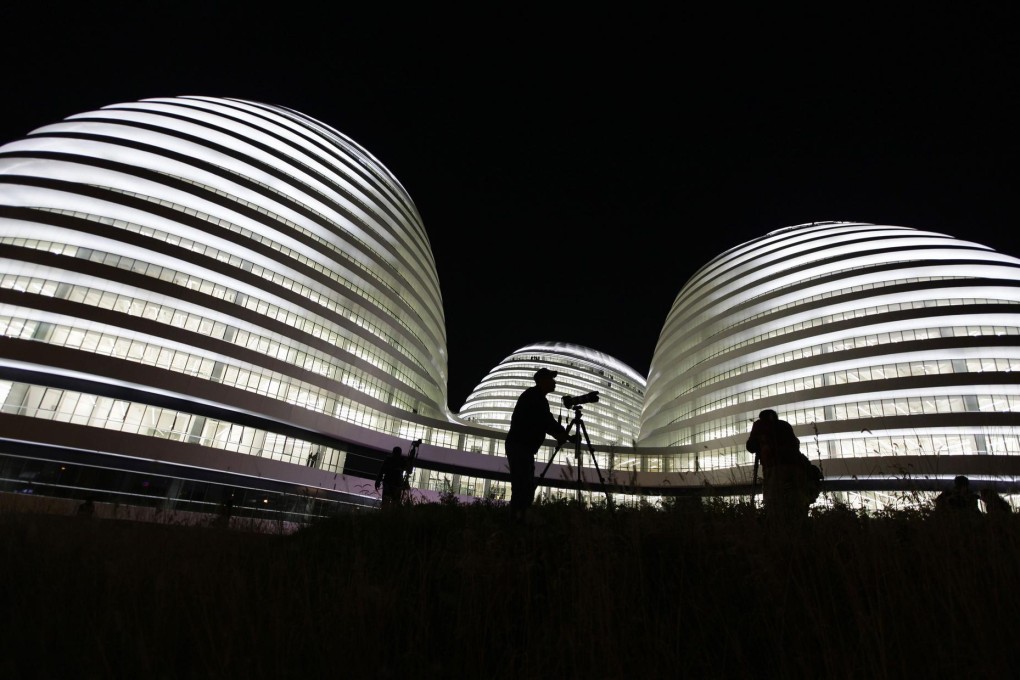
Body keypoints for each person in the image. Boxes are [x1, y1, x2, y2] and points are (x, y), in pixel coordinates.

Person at [504, 367, 572, 522]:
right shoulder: (535, 397)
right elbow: (545, 421)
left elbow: (545, 421)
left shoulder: (536, 396)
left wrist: (561, 434)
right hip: (520, 446)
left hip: (521, 447)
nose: (554, 382)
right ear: (542, 381)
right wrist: (562, 434)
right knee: (523, 484)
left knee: (524, 483)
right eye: (551, 379)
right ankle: (517, 518)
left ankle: (518, 516)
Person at [745, 409, 812, 523]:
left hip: (775, 466)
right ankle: (798, 527)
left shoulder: (760, 424)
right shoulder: (785, 425)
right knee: (794, 500)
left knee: (773, 501)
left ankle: (777, 529)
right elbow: (796, 443)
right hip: (796, 467)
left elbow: (750, 446)